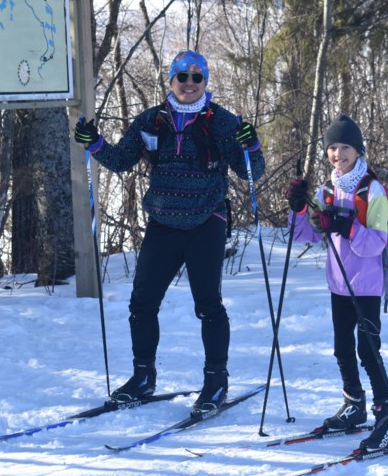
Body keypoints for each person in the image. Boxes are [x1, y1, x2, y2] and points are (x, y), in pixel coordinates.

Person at [74, 50, 265, 414]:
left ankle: (215, 381)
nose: (190, 84)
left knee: (208, 305)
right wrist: (94, 142)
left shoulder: (222, 122)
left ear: (205, 82)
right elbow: (121, 160)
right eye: (183, 76)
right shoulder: (151, 121)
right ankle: (143, 377)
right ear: (171, 80)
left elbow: (251, 173)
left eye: (198, 77)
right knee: (142, 303)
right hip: (163, 223)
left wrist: (251, 144)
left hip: (206, 221)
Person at [284, 114, 388, 451]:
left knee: (368, 350)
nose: (338, 153)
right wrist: (298, 208)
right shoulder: (327, 189)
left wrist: (345, 226)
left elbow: (375, 243)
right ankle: (353, 404)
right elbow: (304, 234)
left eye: (344, 146)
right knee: (342, 348)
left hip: (366, 285)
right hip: (338, 283)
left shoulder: (372, 190)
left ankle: (386, 415)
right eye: (332, 147)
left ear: (358, 150)